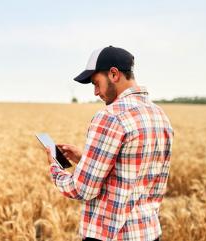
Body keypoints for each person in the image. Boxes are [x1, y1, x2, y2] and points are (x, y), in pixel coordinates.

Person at [44, 46, 174, 241]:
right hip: (149, 233)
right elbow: (134, 171)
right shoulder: (160, 115)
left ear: (114, 74)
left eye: (97, 83)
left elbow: (82, 189)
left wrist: (55, 167)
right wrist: (84, 159)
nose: (96, 92)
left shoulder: (111, 116)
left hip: (112, 235)